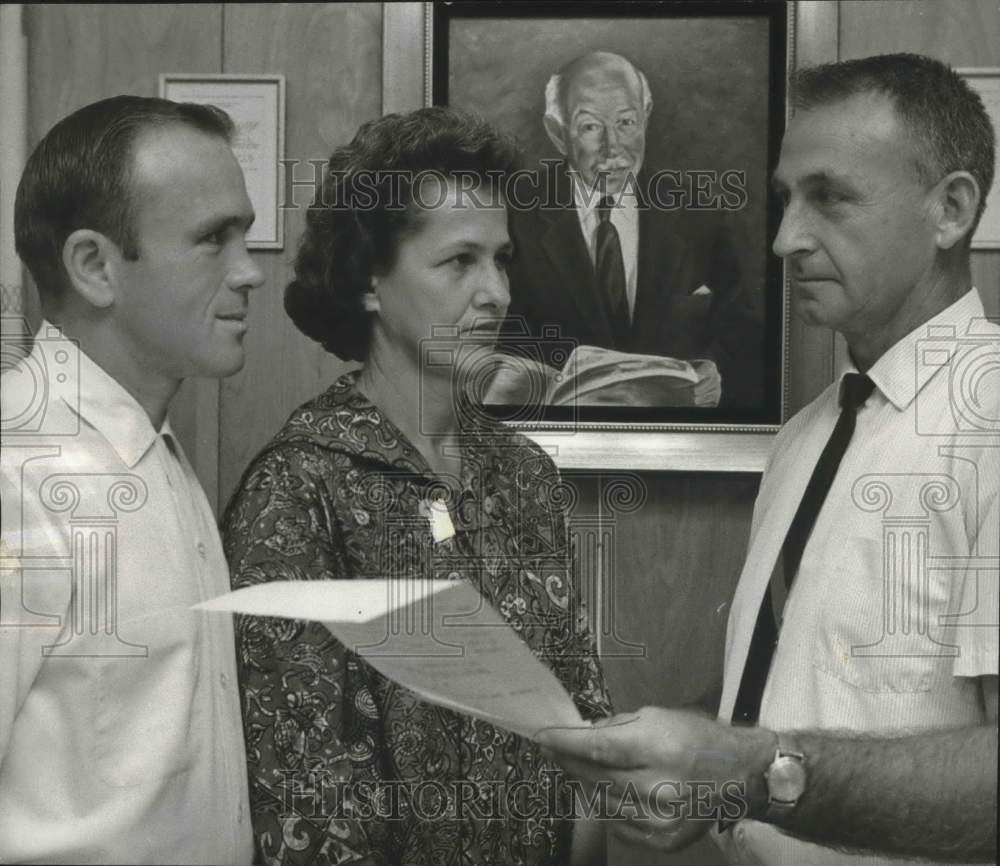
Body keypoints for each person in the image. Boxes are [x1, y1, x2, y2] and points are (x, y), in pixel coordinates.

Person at [536, 53, 998, 865]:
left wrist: (752, 774)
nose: (786, 238)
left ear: (950, 210)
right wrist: (693, 755)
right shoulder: (808, 435)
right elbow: (802, 674)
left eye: (830, 198)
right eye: (786, 199)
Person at [222, 106, 612, 866]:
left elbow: (585, 714)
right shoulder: (301, 487)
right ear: (371, 281)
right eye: (459, 262)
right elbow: (306, 806)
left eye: (501, 259)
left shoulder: (524, 476)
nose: (496, 292)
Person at [0, 96, 264, 862]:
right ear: (94, 266)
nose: (249, 272)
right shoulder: (19, 474)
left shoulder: (152, 453)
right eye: (214, 238)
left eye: (243, 234)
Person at [504, 50, 764, 408]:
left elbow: (742, 335)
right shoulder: (514, 219)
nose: (613, 148)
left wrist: (715, 374)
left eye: (626, 123)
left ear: (647, 116)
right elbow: (489, 349)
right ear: (558, 133)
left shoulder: (701, 218)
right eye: (590, 126)